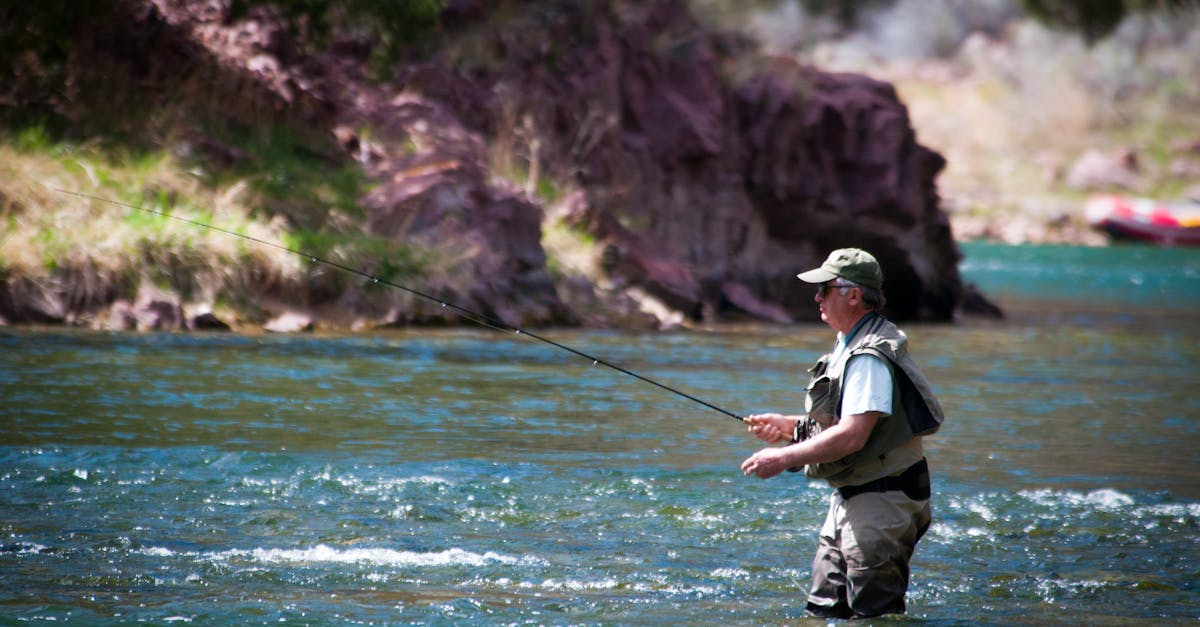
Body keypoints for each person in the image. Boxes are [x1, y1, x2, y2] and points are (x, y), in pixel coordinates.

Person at [740, 248, 944, 619]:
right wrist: (789, 427)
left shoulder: (868, 356)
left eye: (825, 289)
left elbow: (853, 436)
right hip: (853, 496)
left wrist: (782, 458)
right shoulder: (848, 342)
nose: (817, 297)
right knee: (824, 610)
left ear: (854, 296)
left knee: (873, 616)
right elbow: (844, 422)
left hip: (881, 501)